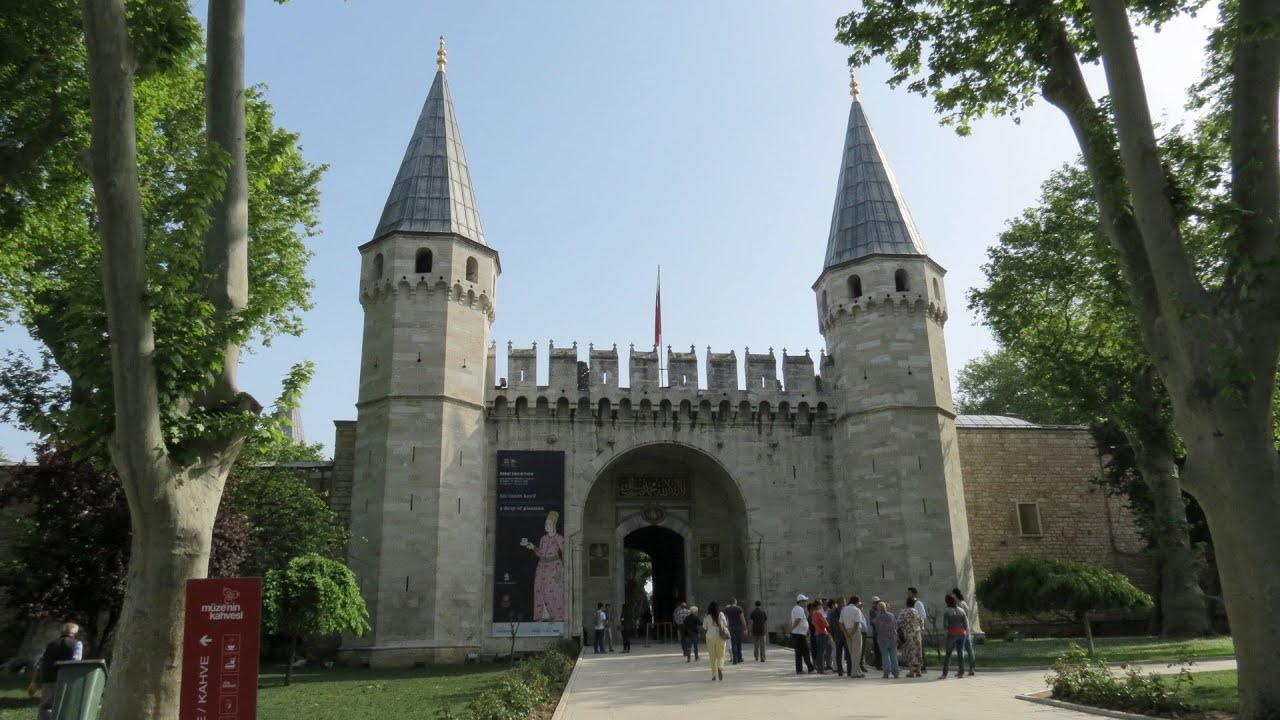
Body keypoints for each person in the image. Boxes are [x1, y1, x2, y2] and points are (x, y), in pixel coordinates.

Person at [27, 623, 83, 720]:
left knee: (46, 706)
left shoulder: (51, 644)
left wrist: (35, 681)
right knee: (66, 706)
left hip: (49, 678)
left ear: (62, 631)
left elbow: (42, 662)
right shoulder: (77, 644)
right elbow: (75, 662)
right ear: (75, 633)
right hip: (67, 679)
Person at [520, 510, 565, 622]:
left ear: (554, 525)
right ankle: (543, 616)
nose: (547, 526)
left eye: (549, 524)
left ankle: (556, 616)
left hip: (554, 567)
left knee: (553, 591)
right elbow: (540, 553)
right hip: (541, 567)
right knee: (540, 590)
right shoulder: (543, 538)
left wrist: (561, 571)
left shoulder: (559, 538)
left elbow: (566, 554)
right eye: (546, 524)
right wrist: (533, 548)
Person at [940, 594, 972, 678]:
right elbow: (965, 624)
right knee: (960, 653)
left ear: (947, 602)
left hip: (952, 634)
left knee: (948, 654)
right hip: (962, 633)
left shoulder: (947, 611)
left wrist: (945, 636)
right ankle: (961, 673)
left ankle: (944, 674)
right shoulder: (961, 610)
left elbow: (945, 625)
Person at [839, 595, 865, 678]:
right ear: (857, 602)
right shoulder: (857, 610)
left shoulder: (844, 610)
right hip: (855, 631)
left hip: (846, 631)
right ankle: (854, 673)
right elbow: (857, 623)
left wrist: (846, 633)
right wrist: (852, 633)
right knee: (856, 653)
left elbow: (840, 623)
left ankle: (858, 671)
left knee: (851, 653)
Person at [871, 601, 899, 678]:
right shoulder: (892, 615)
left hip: (882, 639)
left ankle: (886, 673)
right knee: (894, 656)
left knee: (885, 657)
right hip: (892, 638)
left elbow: (876, 629)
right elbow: (896, 626)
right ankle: (896, 672)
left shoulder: (878, 617)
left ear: (879, 608)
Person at [951, 587, 976, 675]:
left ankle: (961, 670)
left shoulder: (958, 605)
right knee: (969, 649)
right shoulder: (964, 603)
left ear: (955, 594)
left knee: (960, 650)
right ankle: (972, 668)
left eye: (952, 594)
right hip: (967, 628)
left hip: (960, 630)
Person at [703, 600, 730, 681]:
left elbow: (704, 627)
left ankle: (714, 675)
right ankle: (720, 668)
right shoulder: (721, 614)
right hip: (720, 637)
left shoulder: (707, 616)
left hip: (710, 637)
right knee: (721, 655)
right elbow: (725, 624)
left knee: (712, 657)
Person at [898, 597, 925, 677]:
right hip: (917, 634)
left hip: (908, 634)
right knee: (918, 652)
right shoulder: (917, 612)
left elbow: (899, 622)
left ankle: (911, 671)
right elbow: (921, 623)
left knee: (910, 651)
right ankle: (919, 670)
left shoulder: (904, 612)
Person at [789, 594, 814, 674]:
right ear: (800, 602)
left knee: (799, 652)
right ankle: (810, 668)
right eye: (805, 601)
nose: (806, 602)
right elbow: (798, 620)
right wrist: (792, 628)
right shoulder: (799, 609)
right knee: (805, 651)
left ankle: (799, 669)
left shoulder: (796, 608)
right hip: (799, 634)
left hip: (798, 633)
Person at [907, 587, 928, 672]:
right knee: (912, 648)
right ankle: (915, 666)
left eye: (910, 593)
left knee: (919, 648)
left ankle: (922, 666)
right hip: (910, 629)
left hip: (917, 628)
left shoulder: (918, 603)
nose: (908, 594)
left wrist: (917, 622)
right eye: (908, 593)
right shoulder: (909, 604)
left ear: (914, 594)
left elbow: (923, 615)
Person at [808, 601, 830, 675]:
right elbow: (826, 624)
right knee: (822, 652)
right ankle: (821, 669)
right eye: (820, 605)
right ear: (818, 606)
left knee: (819, 652)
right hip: (823, 633)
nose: (821, 606)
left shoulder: (813, 615)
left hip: (817, 634)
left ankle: (818, 668)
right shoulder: (819, 614)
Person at [723, 598, 746, 664]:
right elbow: (742, 619)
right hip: (738, 628)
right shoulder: (739, 609)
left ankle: (735, 660)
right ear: (735, 602)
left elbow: (725, 619)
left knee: (733, 643)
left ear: (729, 603)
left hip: (731, 628)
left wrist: (725, 628)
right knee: (739, 643)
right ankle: (739, 658)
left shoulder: (727, 609)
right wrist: (745, 629)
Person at [867, 596, 882, 670]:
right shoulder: (872, 611)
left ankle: (880, 664)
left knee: (881, 649)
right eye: (876, 603)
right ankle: (878, 665)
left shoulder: (880, 610)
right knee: (877, 649)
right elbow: (873, 621)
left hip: (881, 632)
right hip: (876, 632)